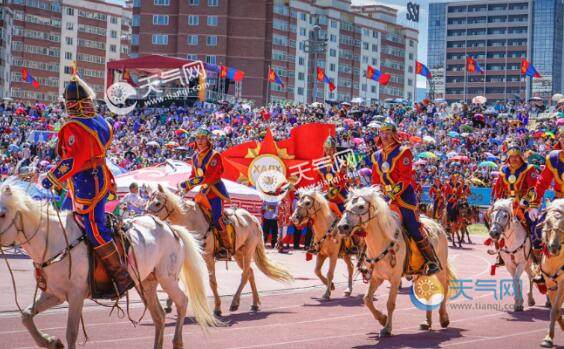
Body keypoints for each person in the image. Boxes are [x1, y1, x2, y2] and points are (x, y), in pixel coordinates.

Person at [39, 72, 133, 295]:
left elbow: (71, 160)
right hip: (94, 177)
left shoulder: (74, 127)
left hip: (87, 183)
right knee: (70, 223)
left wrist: (52, 178)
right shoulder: (100, 121)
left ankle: (120, 274)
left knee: (94, 227)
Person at [371, 119, 441, 275]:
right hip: (383, 198)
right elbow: (375, 181)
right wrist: (379, 195)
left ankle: (432, 261)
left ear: (395, 135)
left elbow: (405, 179)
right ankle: (365, 259)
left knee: (413, 227)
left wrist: (391, 194)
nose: (385, 136)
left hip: (403, 199)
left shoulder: (404, 152)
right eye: (382, 133)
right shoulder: (376, 156)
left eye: (388, 133)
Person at [179, 127, 232, 260]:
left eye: (203, 138)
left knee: (216, 218)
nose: (200, 141)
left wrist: (198, 185)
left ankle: (225, 248)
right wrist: (184, 188)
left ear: (208, 140)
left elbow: (212, 176)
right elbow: (193, 176)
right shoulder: (195, 156)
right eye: (198, 138)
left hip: (215, 192)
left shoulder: (215, 155)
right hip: (202, 193)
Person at [491, 143, 539, 266]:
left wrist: (525, 201)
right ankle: (499, 252)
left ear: (521, 157)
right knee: (492, 219)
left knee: (532, 223)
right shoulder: (503, 170)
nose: (514, 159)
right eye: (511, 156)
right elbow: (499, 189)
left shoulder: (529, 169)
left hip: (523, 203)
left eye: (517, 156)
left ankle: (535, 251)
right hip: (507, 203)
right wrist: (497, 201)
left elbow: (533, 188)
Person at [529, 127, 564, 283]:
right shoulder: (553, 158)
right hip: (558, 201)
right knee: (538, 227)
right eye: (563, 138)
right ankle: (539, 269)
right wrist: (534, 204)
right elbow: (542, 182)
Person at [318, 135, 349, 213]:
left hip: (341, 197)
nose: (330, 152)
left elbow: (342, 182)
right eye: (328, 150)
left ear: (335, 150)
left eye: (332, 150)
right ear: (324, 149)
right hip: (326, 197)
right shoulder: (319, 165)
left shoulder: (342, 163)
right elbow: (319, 182)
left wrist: (329, 195)